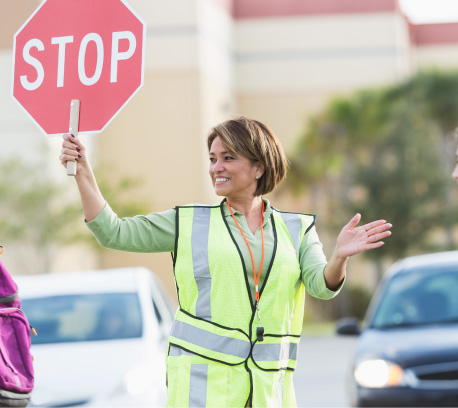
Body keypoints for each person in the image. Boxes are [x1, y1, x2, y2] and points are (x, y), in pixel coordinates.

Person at [60, 117, 392, 407]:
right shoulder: (187, 223)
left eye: (228, 158)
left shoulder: (297, 228)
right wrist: (83, 172)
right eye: (213, 158)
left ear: (259, 166)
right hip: (204, 391)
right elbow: (113, 232)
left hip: (268, 392)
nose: (216, 167)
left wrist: (339, 257)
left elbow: (322, 286)